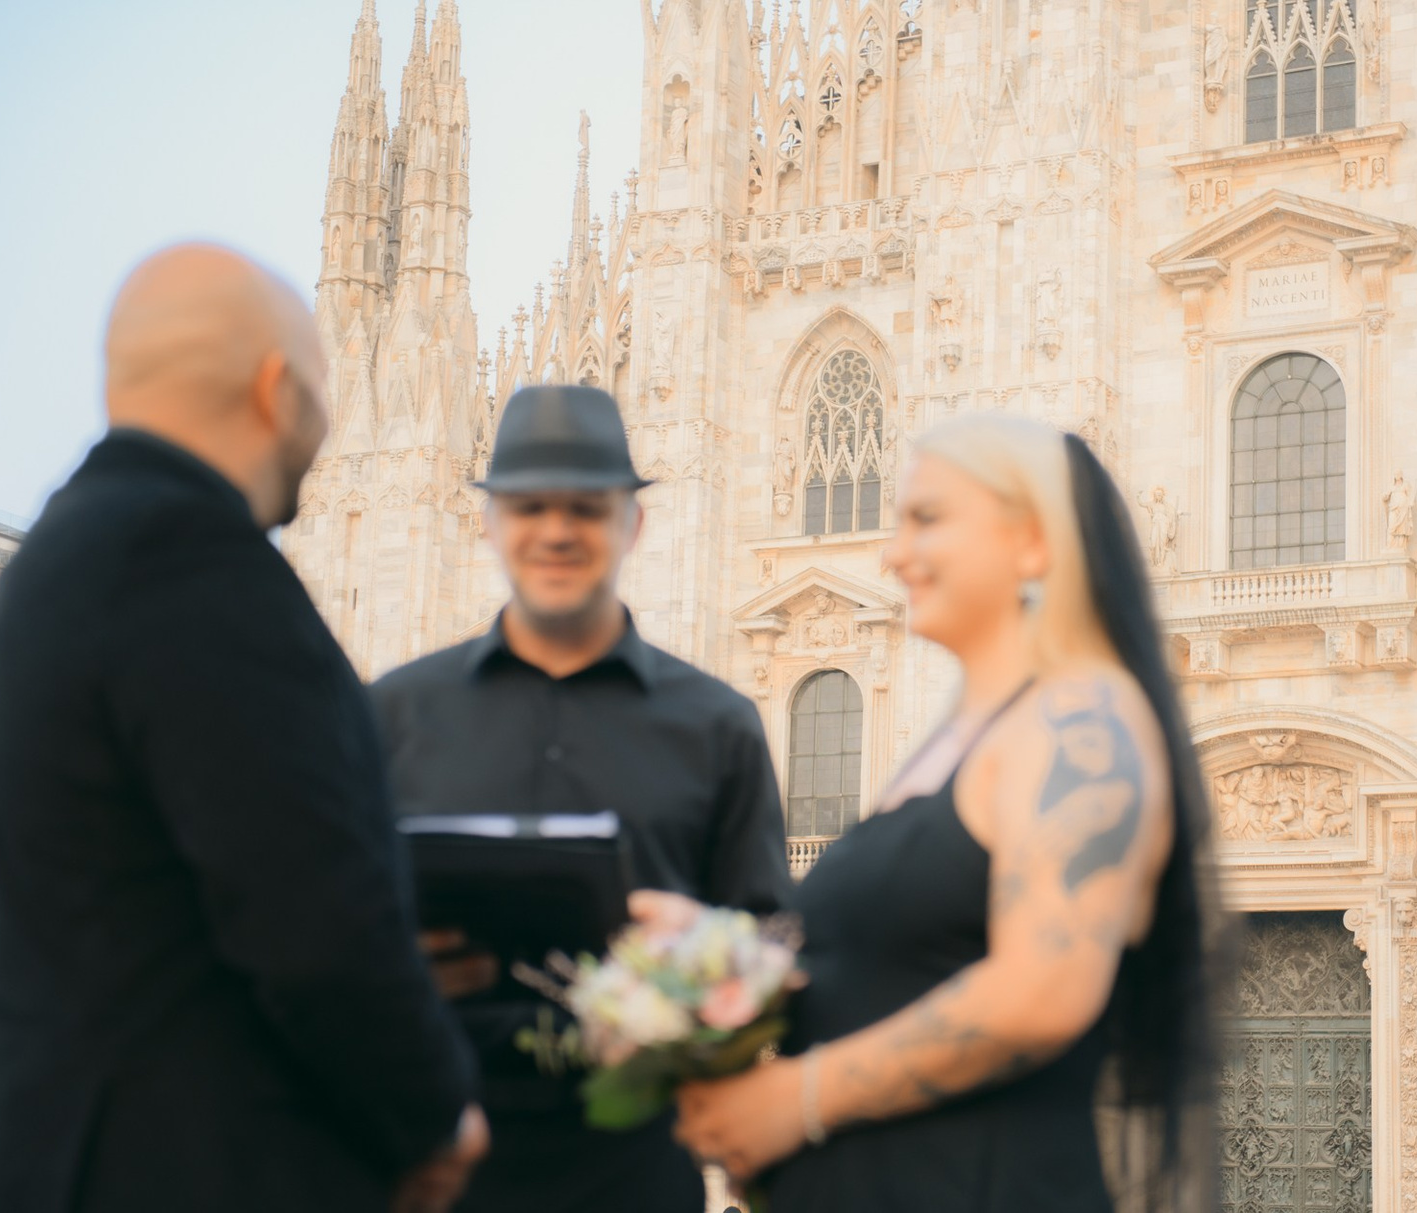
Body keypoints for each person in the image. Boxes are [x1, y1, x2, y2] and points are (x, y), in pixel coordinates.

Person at [0, 245, 487, 1213]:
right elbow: (308, 905)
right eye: (326, 392)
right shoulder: (194, 566)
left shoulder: (61, 558)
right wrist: (432, 1111)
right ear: (278, 390)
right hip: (185, 1173)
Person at [668, 414, 1227, 1212]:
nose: (892, 554)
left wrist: (799, 1098)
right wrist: (710, 956)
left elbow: (1044, 991)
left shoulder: (1081, 718)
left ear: (1033, 541)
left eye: (926, 518)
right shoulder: (959, 741)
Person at [372, 384, 791, 1213]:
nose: (557, 530)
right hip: (432, 1163)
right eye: (529, 506)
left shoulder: (718, 724)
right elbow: (323, 928)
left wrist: (706, 953)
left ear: (632, 523)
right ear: (489, 522)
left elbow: (776, 949)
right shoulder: (392, 713)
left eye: (586, 507)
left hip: (637, 1168)